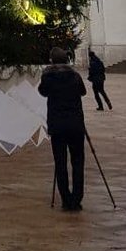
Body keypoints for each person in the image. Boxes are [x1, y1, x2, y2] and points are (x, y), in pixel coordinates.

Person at [38, 47, 86, 212]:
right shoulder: (74, 76)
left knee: (60, 163)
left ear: (52, 60)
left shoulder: (49, 77)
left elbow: (42, 92)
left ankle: (65, 198)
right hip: (76, 125)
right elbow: (83, 92)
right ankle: (77, 198)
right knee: (78, 162)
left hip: (57, 126)